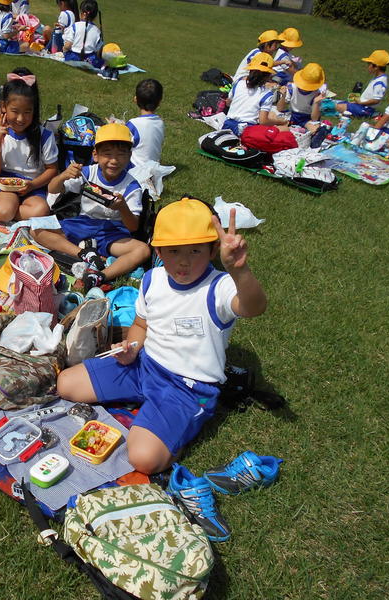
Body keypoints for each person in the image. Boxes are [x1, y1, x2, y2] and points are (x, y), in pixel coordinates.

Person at [57, 198, 267, 474]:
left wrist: (240, 271)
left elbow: (254, 307)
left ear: (213, 250)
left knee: (143, 459)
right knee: (66, 384)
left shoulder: (219, 287)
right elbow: (141, 325)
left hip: (189, 388)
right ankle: (150, 410)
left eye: (195, 251)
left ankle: (176, 431)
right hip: (144, 366)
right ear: (158, 251)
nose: (184, 261)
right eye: (173, 251)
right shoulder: (153, 279)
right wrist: (131, 348)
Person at [32, 123, 151, 292]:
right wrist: (63, 175)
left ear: (129, 156)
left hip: (112, 233)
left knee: (143, 250)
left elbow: (133, 227)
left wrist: (123, 207)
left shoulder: (132, 186)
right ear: (95, 155)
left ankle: (100, 275)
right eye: (107, 154)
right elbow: (52, 189)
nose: (114, 161)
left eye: (121, 154)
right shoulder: (87, 173)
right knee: (36, 229)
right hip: (82, 223)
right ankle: (85, 254)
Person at [0, 68, 58, 222]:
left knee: (41, 210)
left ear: (34, 111)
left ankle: (7, 212)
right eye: (15, 111)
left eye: (27, 112)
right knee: (5, 211)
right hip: (4, 182)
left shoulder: (44, 136)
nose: (20, 118)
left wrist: (33, 185)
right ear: (3, 107)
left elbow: (52, 169)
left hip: (32, 185)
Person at [223, 53, 288, 136]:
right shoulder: (267, 94)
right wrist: (280, 121)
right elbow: (263, 121)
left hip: (227, 125)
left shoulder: (238, 83)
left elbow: (228, 103)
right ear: (268, 76)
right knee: (285, 129)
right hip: (246, 130)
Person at [335, 50, 389, 117]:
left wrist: (361, 103)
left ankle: (373, 114)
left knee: (335, 106)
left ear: (376, 67)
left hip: (365, 109)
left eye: (369, 64)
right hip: (361, 106)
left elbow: (376, 100)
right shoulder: (378, 78)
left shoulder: (380, 82)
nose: (368, 66)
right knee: (337, 103)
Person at [126, 78, 165, 165]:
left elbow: (121, 143)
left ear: (135, 99)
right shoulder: (160, 123)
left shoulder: (133, 124)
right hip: (154, 168)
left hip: (135, 169)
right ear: (159, 102)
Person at [276, 63, 326, 127]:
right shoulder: (292, 87)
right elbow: (279, 108)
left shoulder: (317, 94)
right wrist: (283, 96)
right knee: (273, 116)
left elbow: (314, 119)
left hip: (307, 119)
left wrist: (316, 102)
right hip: (292, 115)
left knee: (315, 127)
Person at [62, 0, 104, 68]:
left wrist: (64, 52)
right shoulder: (97, 31)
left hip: (73, 57)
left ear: (83, 14)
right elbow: (98, 51)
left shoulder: (75, 26)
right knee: (101, 62)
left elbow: (68, 45)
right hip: (90, 60)